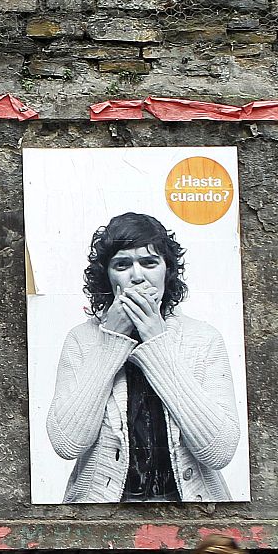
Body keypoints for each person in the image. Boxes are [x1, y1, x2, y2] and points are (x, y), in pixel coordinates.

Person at [46, 212, 241, 503]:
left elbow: (219, 450)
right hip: (101, 518)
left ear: (167, 272)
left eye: (149, 263)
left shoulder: (203, 339)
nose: (137, 276)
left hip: (192, 513)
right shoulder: (82, 339)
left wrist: (157, 342)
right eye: (122, 265)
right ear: (107, 276)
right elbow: (67, 443)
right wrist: (111, 341)